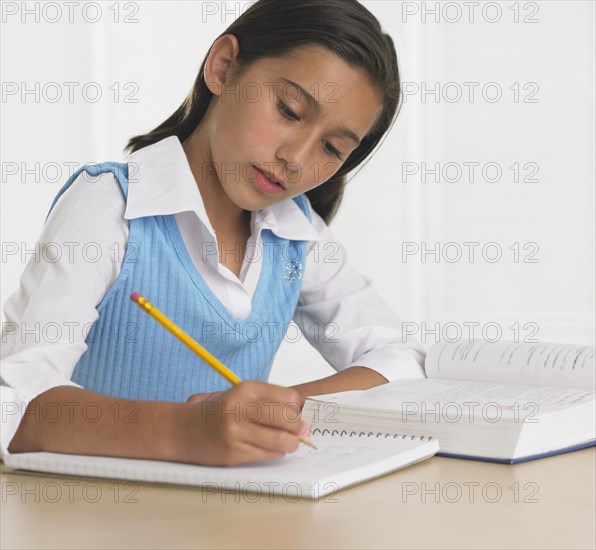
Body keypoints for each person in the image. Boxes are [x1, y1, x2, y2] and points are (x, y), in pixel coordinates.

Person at [0, 0, 425, 467]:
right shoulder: (112, 204)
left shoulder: (296, 233)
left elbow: (400, 360)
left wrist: (278, 408)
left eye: (331, 147)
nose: (298, 158)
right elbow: (13, 399)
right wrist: (182, 431)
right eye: (288, 109)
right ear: (224, 67)